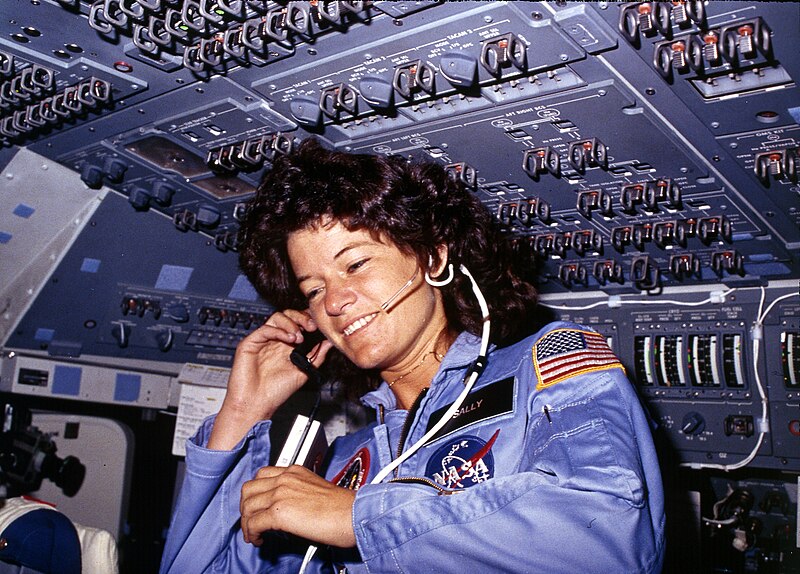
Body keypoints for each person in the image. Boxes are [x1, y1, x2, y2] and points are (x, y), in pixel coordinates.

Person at [159, 138, 665, 573]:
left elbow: (608, 539)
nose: (334, 302)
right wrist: (242, 414)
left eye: (355, 264)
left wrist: (356, 518)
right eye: (313, 290)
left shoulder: (549, 365)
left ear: (434, 257)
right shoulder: (344, 463)